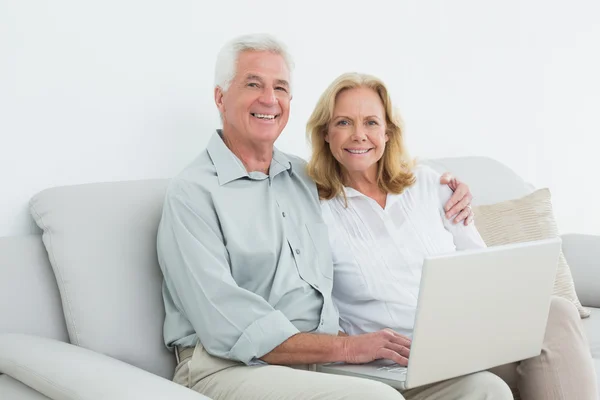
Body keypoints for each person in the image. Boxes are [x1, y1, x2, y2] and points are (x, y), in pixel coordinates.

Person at [156, 33, 512, 400]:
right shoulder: (192, 194)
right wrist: (347, 348)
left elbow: (370, 174)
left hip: (321, 361)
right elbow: (225, 324)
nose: (269, 99)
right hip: (230, 363)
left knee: (485, 390)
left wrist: (447, 188)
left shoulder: (302, 179)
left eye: (280, 87)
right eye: (253, 84)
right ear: (220, 97)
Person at [306, 71, 598, 400]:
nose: (359, 135)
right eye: (344, 122)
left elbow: (484, 265)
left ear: (388, 132)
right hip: (405, 359)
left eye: (371, 122)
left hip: (467, 338)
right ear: (325, 133)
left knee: (556, 310)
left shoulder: (430, 185)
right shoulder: (315, 210)